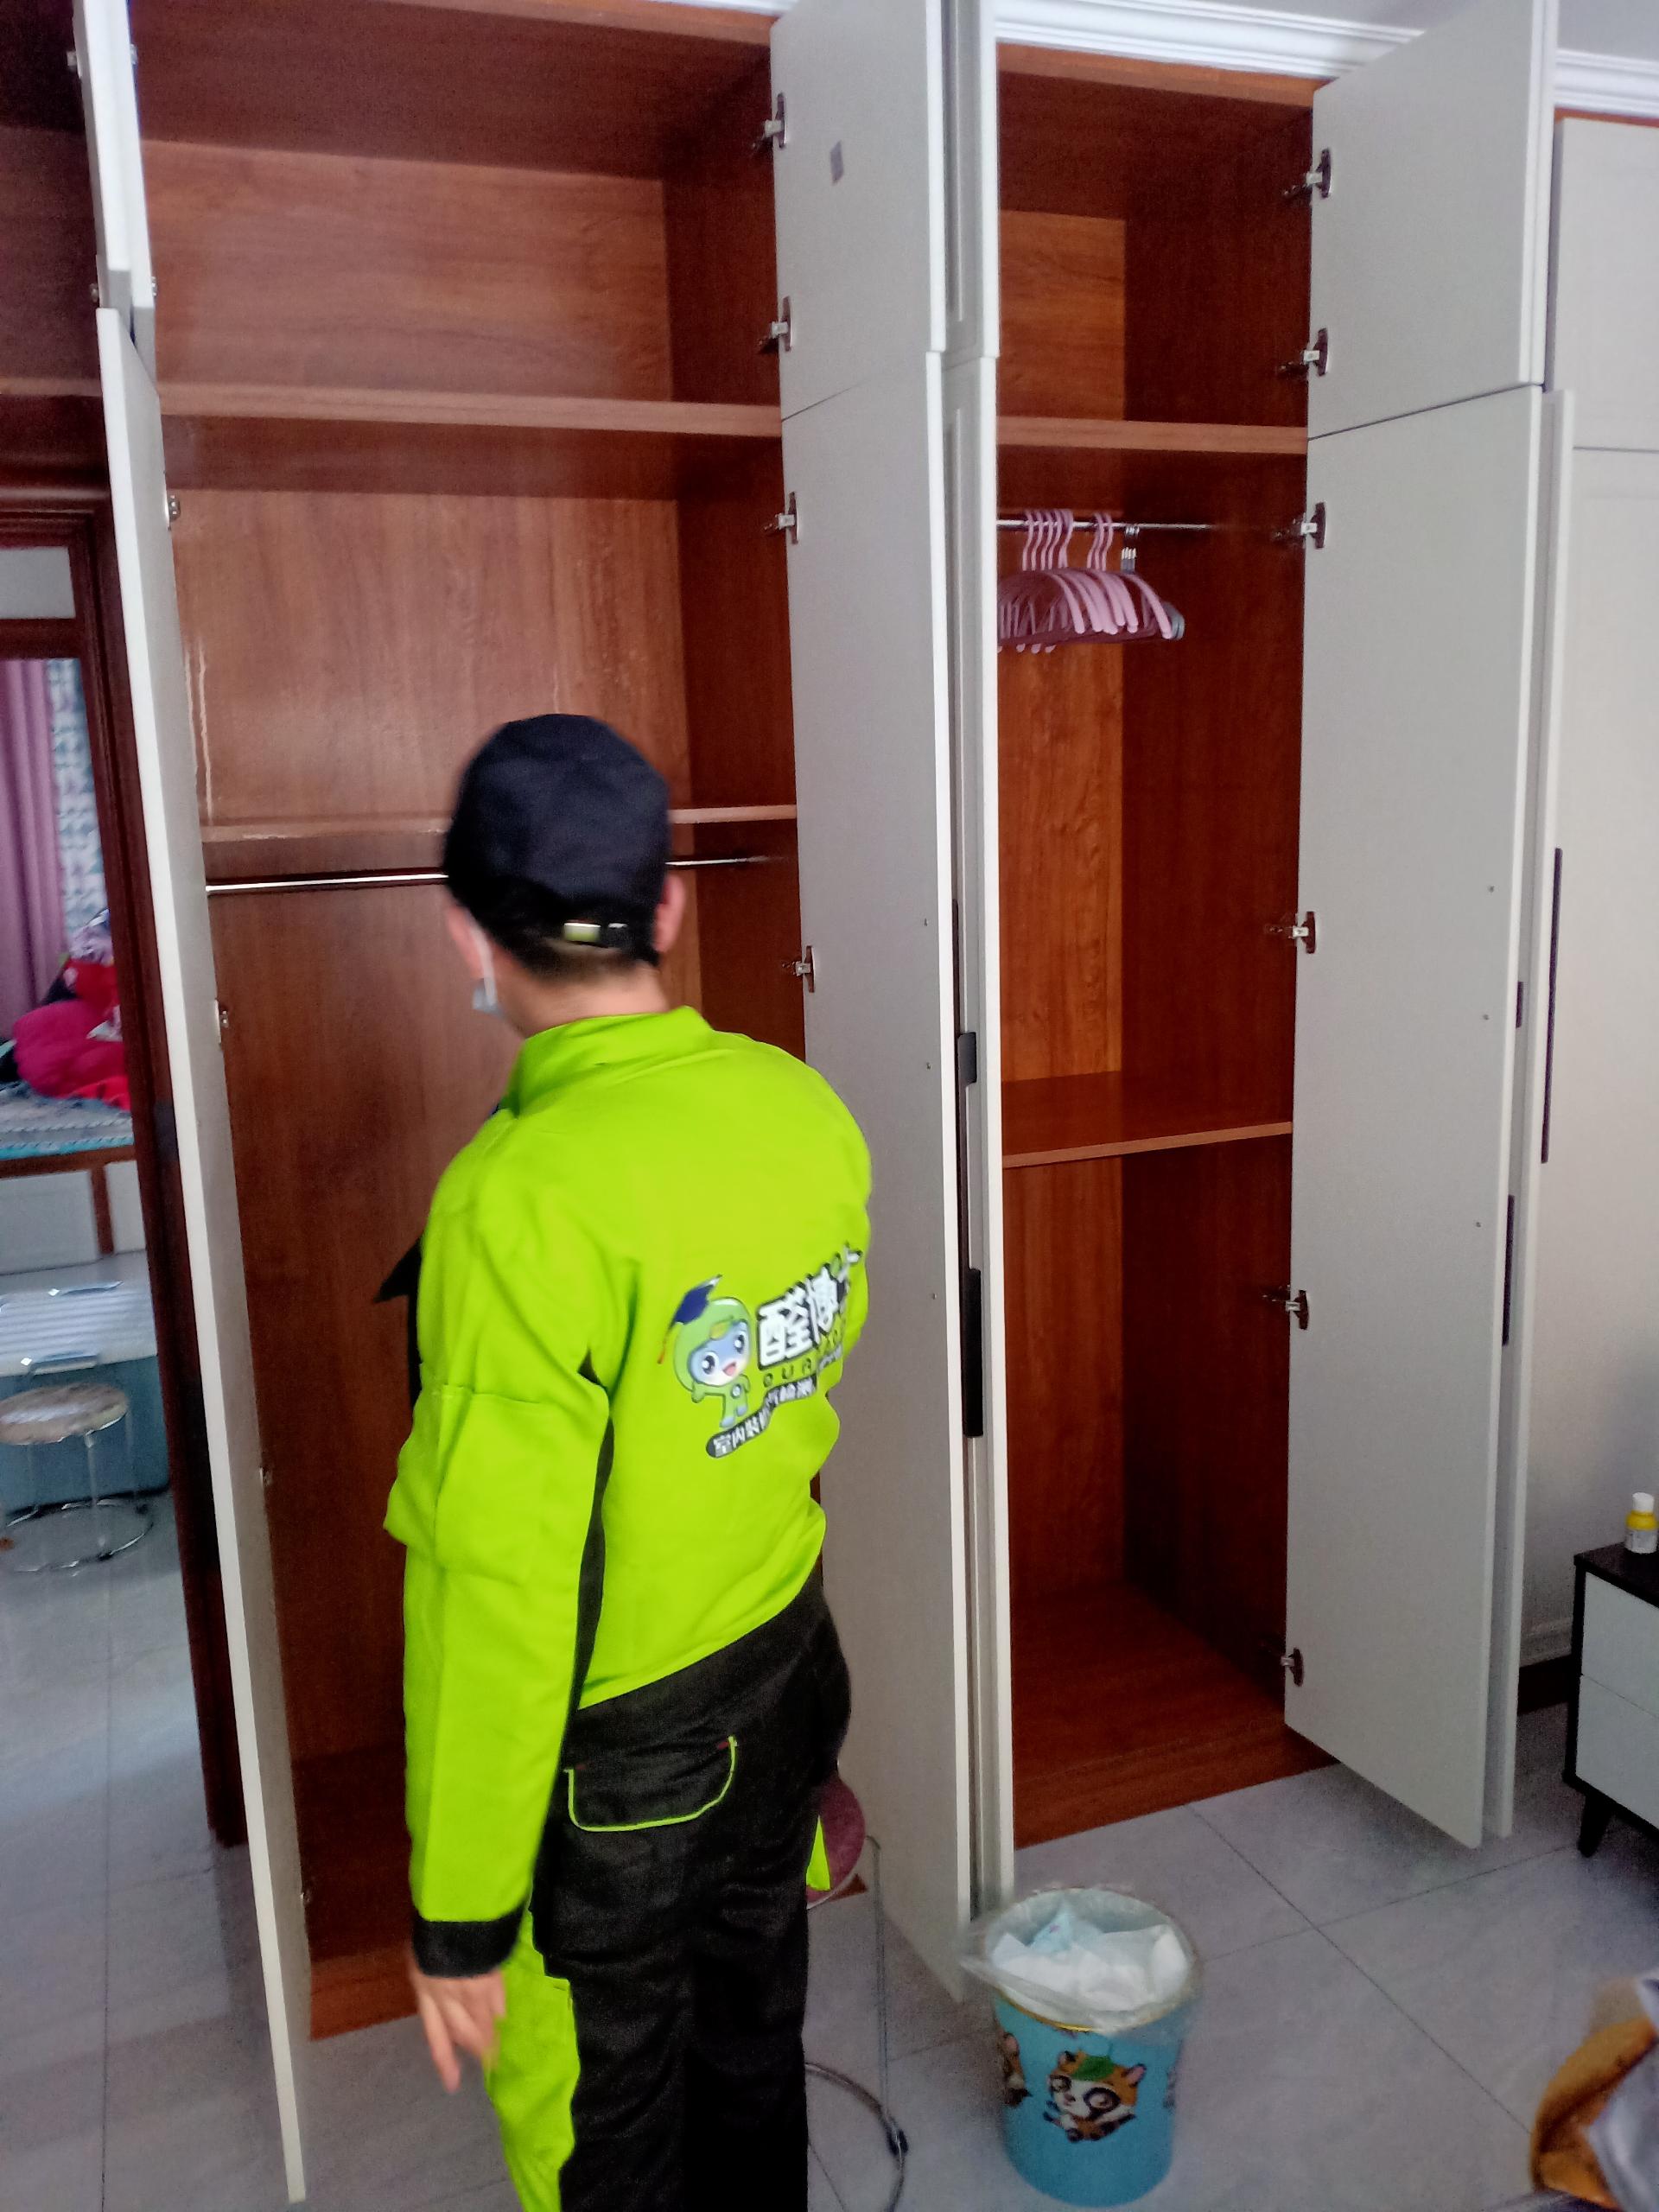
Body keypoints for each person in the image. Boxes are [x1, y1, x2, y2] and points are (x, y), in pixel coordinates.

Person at [385, 714, 870, 2212]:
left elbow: (498, 1594)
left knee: (610, 2145)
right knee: (752, 2066)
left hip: (624, 1792)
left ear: (467, 934)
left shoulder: (517, 1202)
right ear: (667, 909)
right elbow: (776, 1422)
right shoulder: (798, 1104)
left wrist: (462, 1917)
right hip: (785, 1688)